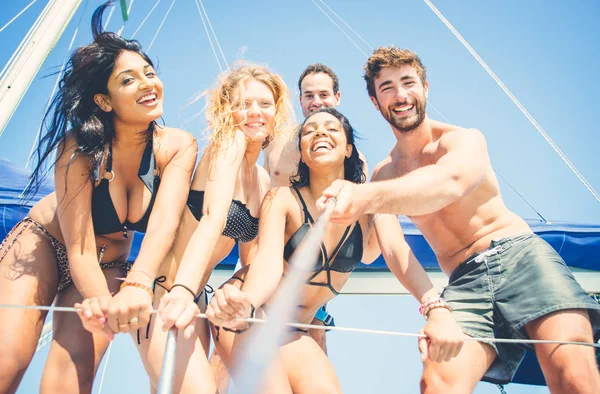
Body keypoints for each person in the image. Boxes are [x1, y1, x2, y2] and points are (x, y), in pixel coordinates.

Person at [318, 46, 600, 393]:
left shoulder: (463, 140)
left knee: (574, 373)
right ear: (376, 102)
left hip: (522, 257)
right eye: (387, 87)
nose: (401, 95)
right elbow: (390, 250)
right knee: (437, 383)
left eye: (408, 82)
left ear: (425, 88)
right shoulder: (381, 176)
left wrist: (363, 196)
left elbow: (449, 183)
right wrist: (433, 305)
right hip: (464, 283)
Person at [0, 2, 197, 393]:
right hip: (44, 246)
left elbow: (161, 229)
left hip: (111, 264)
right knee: (7, 364)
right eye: (128, 80)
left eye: (149, 73)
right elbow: (79, 249)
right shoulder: (78, 149)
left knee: (73, 379)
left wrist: (137, 286)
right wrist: (99, 302)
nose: (146, 84)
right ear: (104, 101)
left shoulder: (177, 147)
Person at [205, 108, 463, 393]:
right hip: (250, 316)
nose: (320, 133)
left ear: (348, 148)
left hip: (296, 331)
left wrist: (435, 308)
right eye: (310, 130)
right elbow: (267, 264)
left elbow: (397, 252)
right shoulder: (282, 199)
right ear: (302, 153)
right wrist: (246, 304)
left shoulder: (372, 203)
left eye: (331, 128)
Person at [156, 62, 295, 390]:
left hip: (199, 297)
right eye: (243, 105)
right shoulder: (227, 142)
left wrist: (244, 299)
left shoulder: (262, 180)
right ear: (226, 111)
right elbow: (212, 220)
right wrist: (181, 291)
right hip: (167, 290)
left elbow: (251, 262)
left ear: (276, 112)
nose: (254, 113)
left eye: (264, 104)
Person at [263, 63, 367, 354]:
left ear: (337, 97)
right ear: (300, 101)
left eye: (323, 94)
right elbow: (263, 199)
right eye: (309, 95)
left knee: (314, 340)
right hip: (268, 255)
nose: (316, 101)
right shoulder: (277, 147)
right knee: (235, 341)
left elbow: (362, 225)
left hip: (317, 270)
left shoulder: (352, 156)